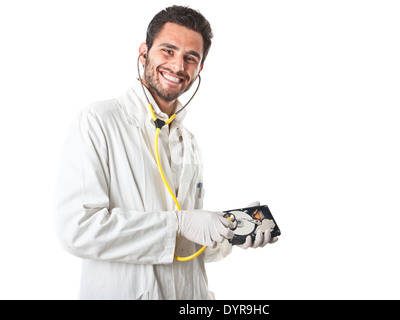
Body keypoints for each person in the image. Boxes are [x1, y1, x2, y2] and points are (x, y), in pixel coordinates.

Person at [54, 5, 277, 300]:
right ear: (144, 52)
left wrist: (228, 233)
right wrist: (179, 223)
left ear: (199, 69)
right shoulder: (98, 122)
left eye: (190, 58)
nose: (178, 66)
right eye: (168, 51)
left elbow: (182, 247)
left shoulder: (189, 141)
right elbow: (77, 230)